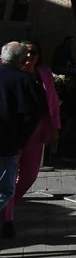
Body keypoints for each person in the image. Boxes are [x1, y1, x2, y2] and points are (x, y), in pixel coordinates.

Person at [0, 41, 58, 240]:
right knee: (8, 179)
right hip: (14, 134)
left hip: (35, 132)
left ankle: (7, 208)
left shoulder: (44, 74)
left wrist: (54, 127)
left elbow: (52, 102)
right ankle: (7, 220)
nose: (29, 56)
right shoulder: (15, 76)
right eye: (25, 53)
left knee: (29, 175)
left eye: (33, 52)